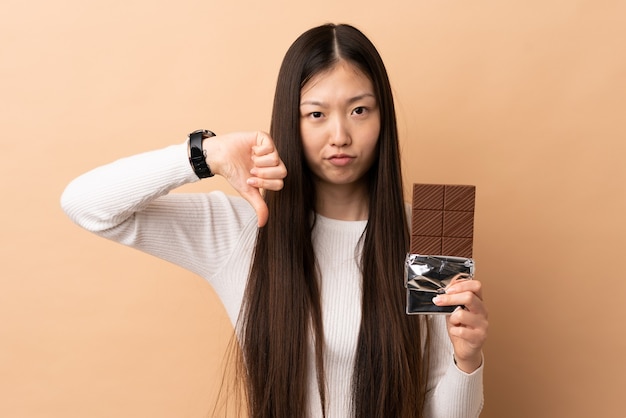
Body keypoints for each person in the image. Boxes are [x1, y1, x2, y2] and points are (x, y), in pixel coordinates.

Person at [61, 23, 487, 418]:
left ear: (383, 118)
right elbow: (86, 205)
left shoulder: (431, 235)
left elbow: (438, 410)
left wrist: (467, 360)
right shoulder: (243, 227)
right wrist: (205, 154)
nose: (340, 134)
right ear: (290, 119)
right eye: (316, 114)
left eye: (359, 110)